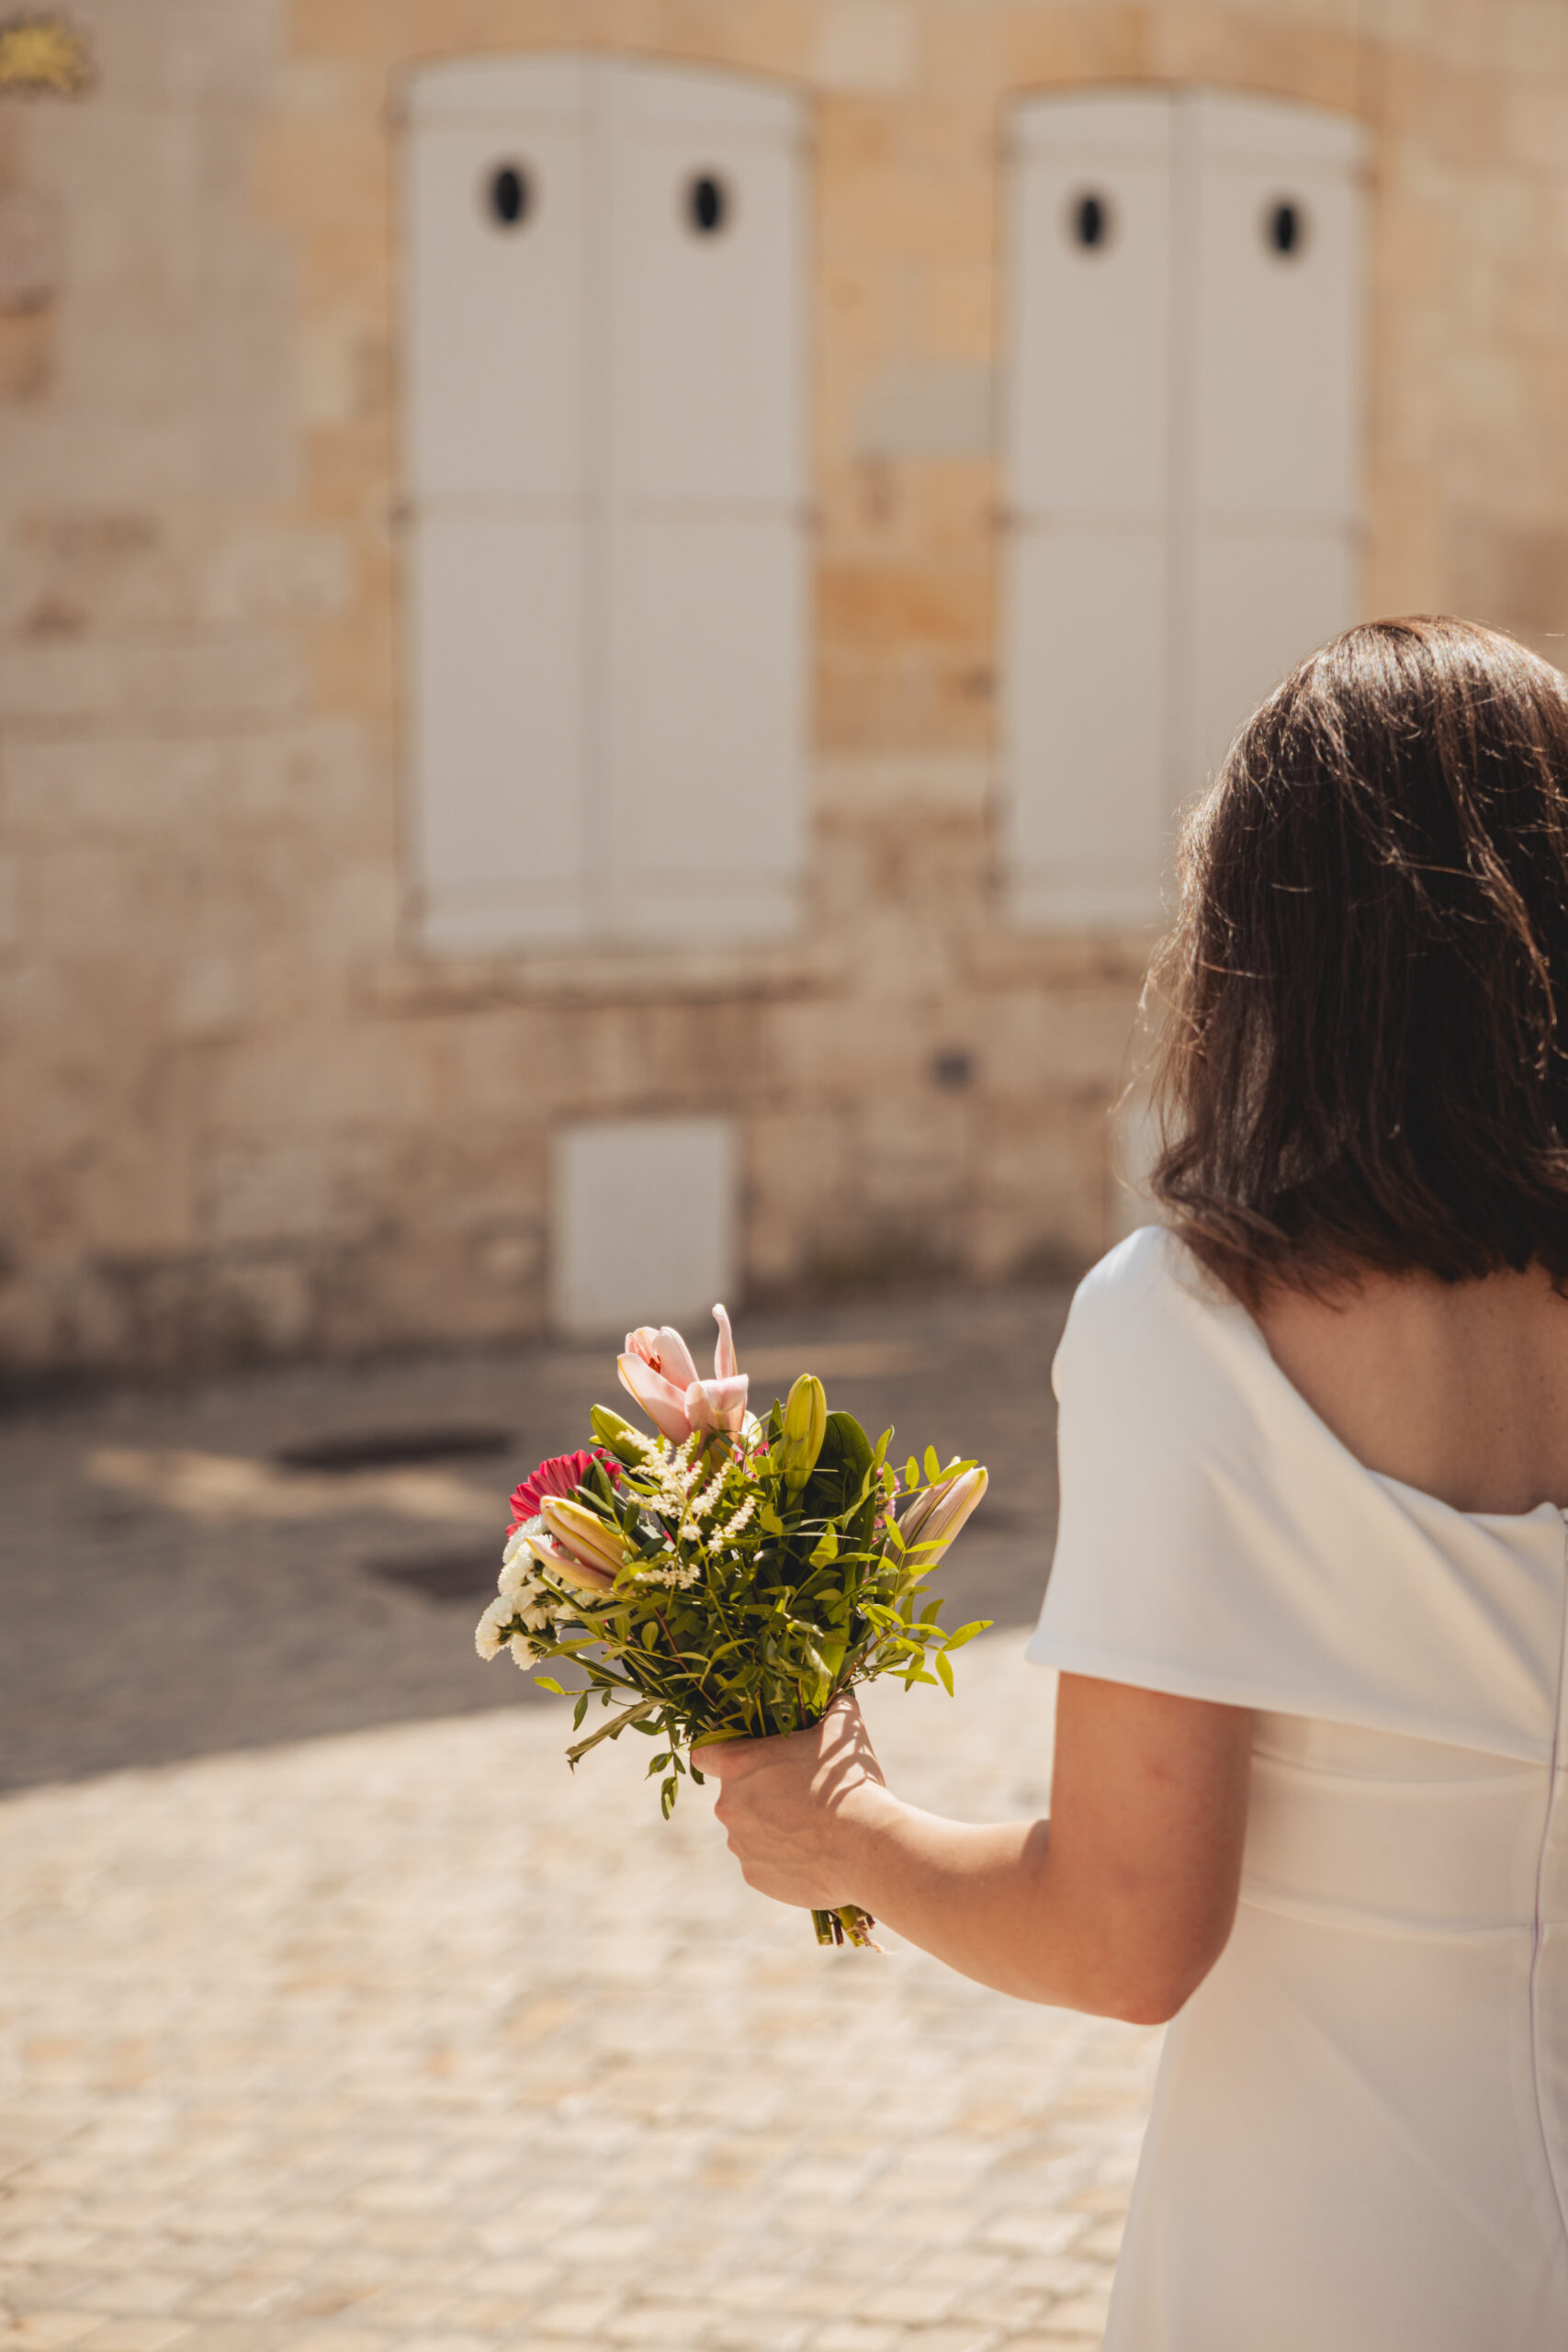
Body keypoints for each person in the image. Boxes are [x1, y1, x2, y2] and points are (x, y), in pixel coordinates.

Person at [705, 616, 1568, 2348]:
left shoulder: (1186, 1327)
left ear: (1267, 948)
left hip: (1338, 2254)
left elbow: (1126, 1935)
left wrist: (844, 1831)